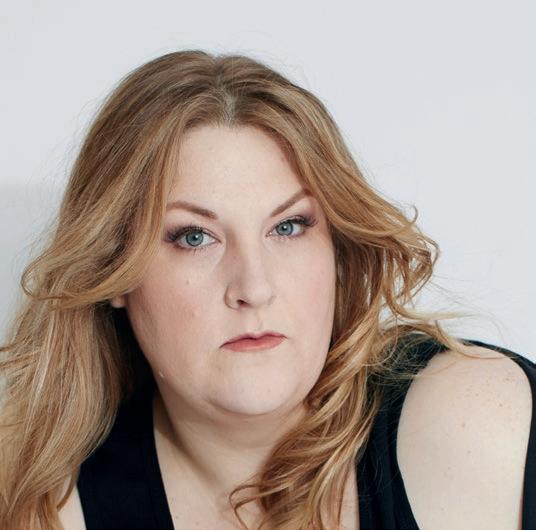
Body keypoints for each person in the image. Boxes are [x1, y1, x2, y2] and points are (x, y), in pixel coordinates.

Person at [0, 50, 533, 530]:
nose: (253, 288)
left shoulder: (475, 422)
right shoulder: (47, 508)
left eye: (288, 227)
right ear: (113, 267)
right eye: (194, 237)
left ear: (337, 248)